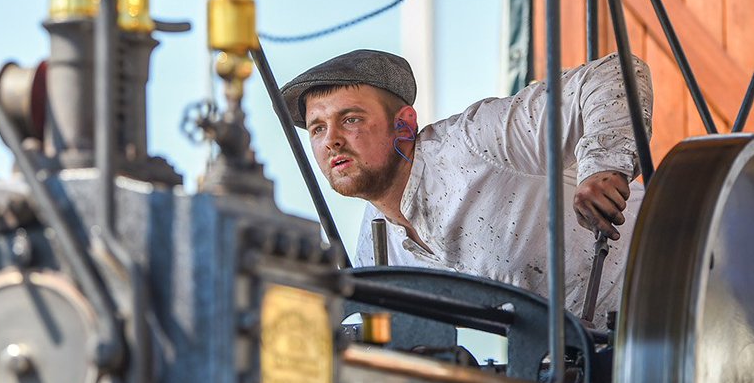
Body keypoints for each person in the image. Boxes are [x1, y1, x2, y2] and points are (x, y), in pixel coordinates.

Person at [280, 49, 653, 322]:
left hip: (673, 283)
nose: (331, 141)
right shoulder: (376, 254)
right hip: (593, 364)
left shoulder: (475, 140)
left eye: (350, 119)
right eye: (318, 128)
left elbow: (617, 75)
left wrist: (603, 167)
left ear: (404, 125)